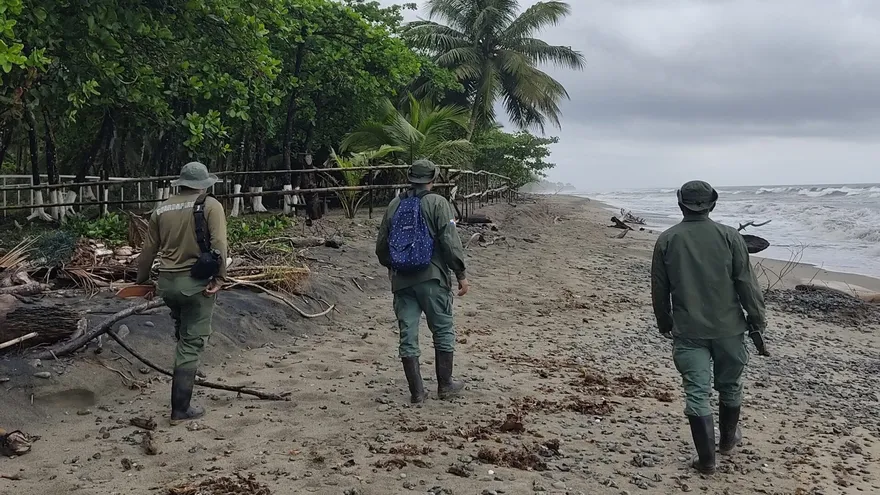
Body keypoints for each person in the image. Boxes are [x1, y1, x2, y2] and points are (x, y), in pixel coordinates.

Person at [650, 180, 766, 475]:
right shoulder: (729, 236)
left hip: (689, 331)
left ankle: (707, 461)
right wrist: (757, 322)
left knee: (696, 392)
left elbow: (659, 290)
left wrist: (665, 323)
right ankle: (727, 441)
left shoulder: (667, 239)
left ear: (680, 203)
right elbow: (746, 284)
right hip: (729, 329)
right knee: (730, 384)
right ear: (712, 204)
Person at [136, 162, 229, 424]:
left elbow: (147, 252)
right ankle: (181, 409)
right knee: (191, 342)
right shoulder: (211, 206)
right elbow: (219, 243)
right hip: (195, 283)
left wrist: (142, 281)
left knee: (182, 331)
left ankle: (184, 380)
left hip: (167, 284)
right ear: (203, 184)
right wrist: (221, 277)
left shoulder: (161, 208)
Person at [375, 159, 469, 403]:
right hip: (433, 278)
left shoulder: (395, 204)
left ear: (410, 177)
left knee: (408, 333)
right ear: (433, 179)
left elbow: (382, 244)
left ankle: (417, 392)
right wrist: (460, 273)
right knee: (442, 329)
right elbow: (449, 241)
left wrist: (391, 266)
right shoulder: (439, 203)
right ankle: (445, 385)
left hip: (402, 281)